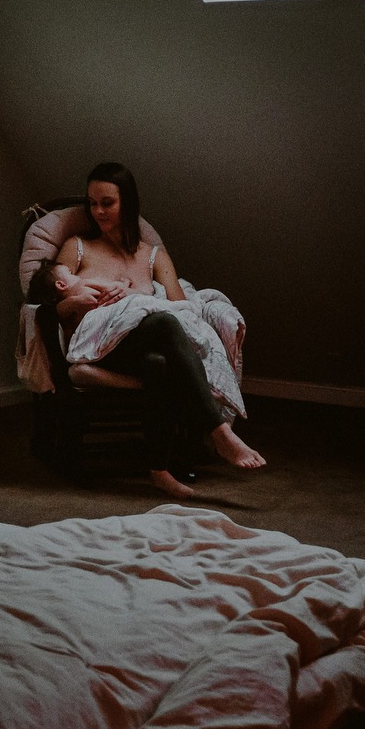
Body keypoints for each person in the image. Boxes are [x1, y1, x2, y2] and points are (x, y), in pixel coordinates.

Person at [52, 162, 264, 498]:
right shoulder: (77, 247)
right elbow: (57, 309)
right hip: (100, 347)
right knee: (162, 323)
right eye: (92, 203)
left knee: (161, 360)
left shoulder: (153, 256)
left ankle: (159, 470)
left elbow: (183, 311)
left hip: (142, 348)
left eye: (108, 202)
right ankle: (220, 433)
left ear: (129, 203)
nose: (98, 211)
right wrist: (85, 300)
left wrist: (134, 295)